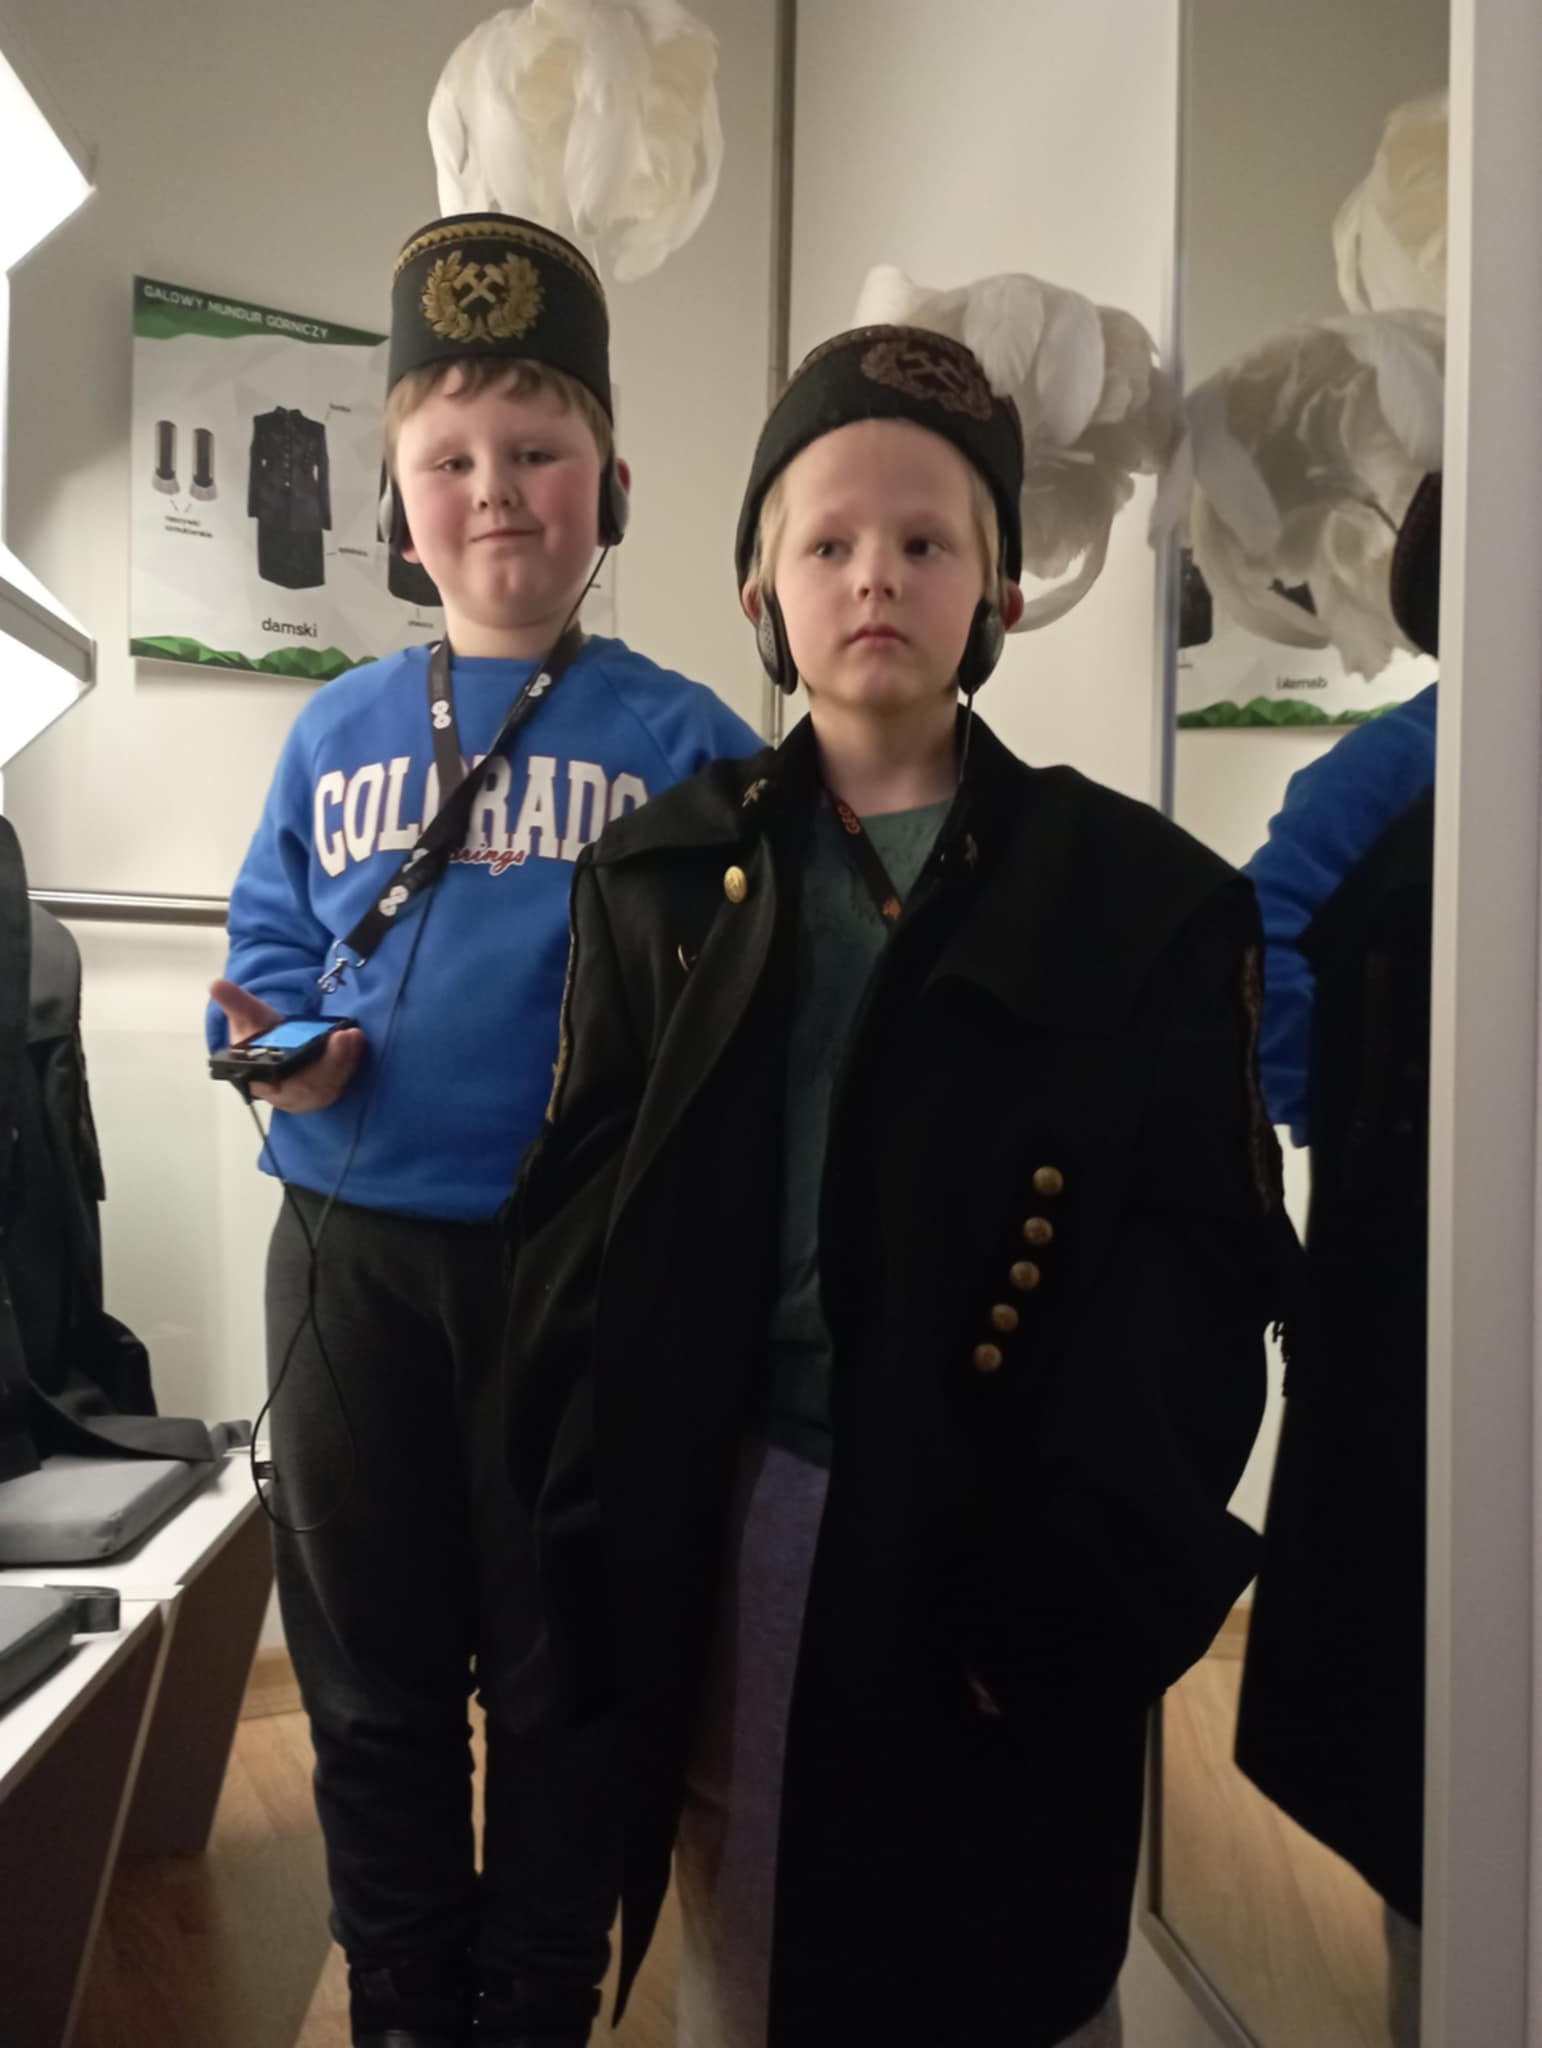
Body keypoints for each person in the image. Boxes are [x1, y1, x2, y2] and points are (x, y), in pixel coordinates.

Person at [503, 309, 1291, 2047]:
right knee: (752, 1956)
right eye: (829, 542)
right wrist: (588, 1516)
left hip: (1011, 1517)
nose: (876, 575)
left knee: (1018, 1965)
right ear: (759, 589)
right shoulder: (653, 878)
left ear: (995, 592)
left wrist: (1072, 1575)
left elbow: (1194, 1281)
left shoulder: (1145, 901)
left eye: (927, 542)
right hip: (743, 1505)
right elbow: (573, 1241)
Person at [208, 213, 758, 2048]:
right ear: (395, 497)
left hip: (578, 1284)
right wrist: (275, 1049)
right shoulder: (333, 729)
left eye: (537, 450)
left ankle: (533, 2002)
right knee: (366, 1682)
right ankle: (400, 1999)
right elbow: (268, 946)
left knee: (558, 1680)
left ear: (613, 484)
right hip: (348, 1270)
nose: (496, 492)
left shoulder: (691, 740)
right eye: (449, 459)